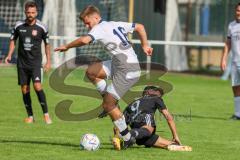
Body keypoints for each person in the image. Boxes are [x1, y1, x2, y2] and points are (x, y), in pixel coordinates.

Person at [54, 5, 153, 148]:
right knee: (92, 72)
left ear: (96, 17)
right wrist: (145, 45)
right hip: (119, 63)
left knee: (108, 105)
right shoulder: (113, 24)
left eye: (88, 22)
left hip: (127, 69)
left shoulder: (99, 28)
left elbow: (84, 41)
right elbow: (140, 27)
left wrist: (67, 46)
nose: (87, 26)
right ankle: (111, 104)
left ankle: (127, 137)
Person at [5, 1, 52, 124]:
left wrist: (48, 62)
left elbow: (47, 45)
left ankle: (46, 115)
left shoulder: (42, 27)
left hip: (36, 63)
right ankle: (30, 116)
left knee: (37, 86)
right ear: (25, 12)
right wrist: (9, 54)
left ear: (36, 13)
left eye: (33, 12)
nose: (30, 14)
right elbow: (12, 40)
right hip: (22, 63)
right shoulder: (18, 26)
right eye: (28, 12)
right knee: (25, 89)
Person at [112, 86, 192, 151]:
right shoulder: (155, 98)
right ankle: (129, 135)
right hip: (144, 129)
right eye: (158, 92)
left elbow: (118, 126)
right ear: (148, 92)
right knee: (148, 129)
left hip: (140, 136)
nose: (160, 95)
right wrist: (175, 136)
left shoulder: (131, 104)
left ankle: (128, 136)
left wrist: (116, 136)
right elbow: (169, 118)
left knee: (172, 144)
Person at [221, 2, 240, 120]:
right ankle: (238, 114)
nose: (238, 13)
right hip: (234, 62)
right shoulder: (231, 25)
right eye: (237, 10)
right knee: (236, 87)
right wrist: (223, 59)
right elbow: (228, 43)